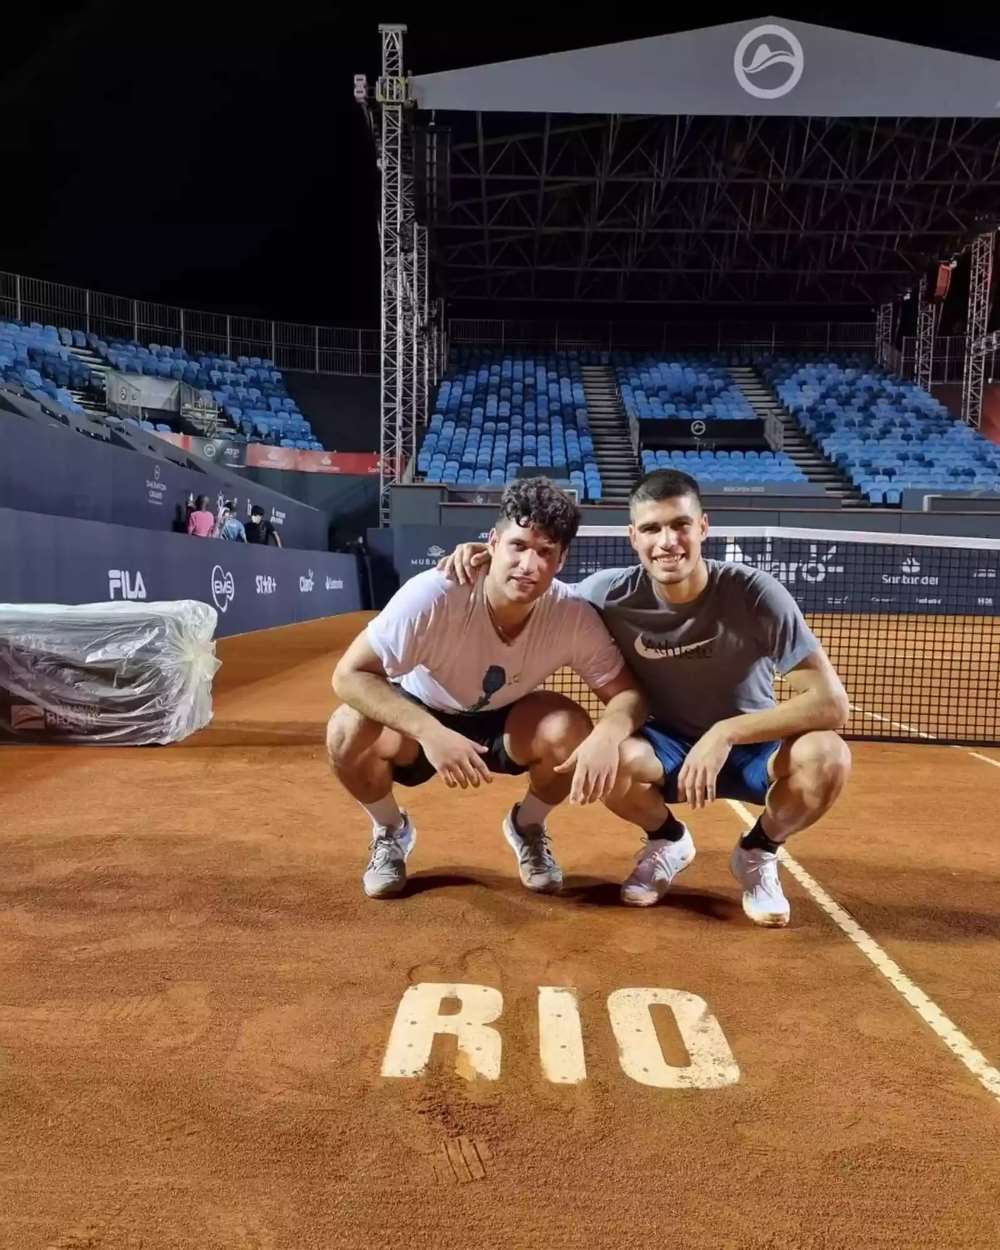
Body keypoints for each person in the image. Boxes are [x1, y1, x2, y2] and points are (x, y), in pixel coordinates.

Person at [440, 468, 852, 928]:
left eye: (680, 525)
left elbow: (831, 703)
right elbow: (534, 593)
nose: (668, 541)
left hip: (752, 747)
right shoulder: (608, 594)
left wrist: (726, 732)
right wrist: (486, 558)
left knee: (829, 755)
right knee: (600, 754)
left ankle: (758, 851)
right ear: (633, 537)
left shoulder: (755, 594)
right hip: (665, 748)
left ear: (703, 528)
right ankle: (667, 838)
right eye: (653, 529)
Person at [327, 477, 647, 899]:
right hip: (420, 711)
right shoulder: (436, 594)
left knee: (570, 729)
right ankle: (390, 830)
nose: (529, 565)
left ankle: (527, 826)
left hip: (505, 720)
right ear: (493, 543)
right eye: (518, 545)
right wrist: (429, 731)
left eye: (545, 552)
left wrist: (607, 735)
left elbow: (628, 695)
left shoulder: (571, 614)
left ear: (561, 559)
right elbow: (348, 675)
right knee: (347, 729)